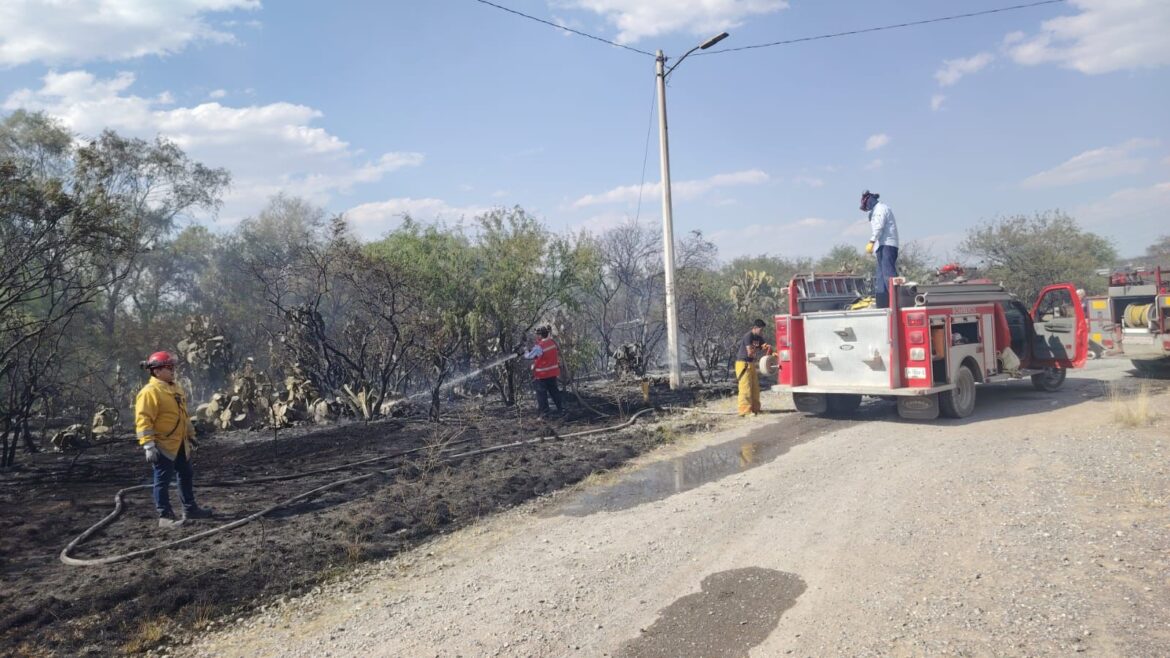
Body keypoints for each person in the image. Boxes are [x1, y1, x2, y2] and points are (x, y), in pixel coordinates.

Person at [135, 351, 211, 528]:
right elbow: (143, 420)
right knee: (162, 480)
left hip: (180, 443)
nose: (173, 370)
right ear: (157, 371)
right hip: (162, 445)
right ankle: (165, 516)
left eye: (172, 366)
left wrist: (191, 436)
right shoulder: (149, 392)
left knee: (185, 474)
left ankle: (190, 509)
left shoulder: (175, 388)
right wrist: (148, 445)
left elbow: (184, 416)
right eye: (169, 367)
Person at [861, 190, 899, 308]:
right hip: (881, 246)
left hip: (887, 245)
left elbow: (878, 227)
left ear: (869, 200)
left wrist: (871, 241)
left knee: (888, 275)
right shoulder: (877, 210)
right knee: (880, 277)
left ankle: (896, 302)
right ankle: (883, 304)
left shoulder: (880, 209)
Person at [522, 326, 565, 417]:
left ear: (541, 335)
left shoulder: (540, 346)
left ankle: (545, 413)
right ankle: (561, 409)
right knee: (554, 392)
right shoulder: (552, 342)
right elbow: (545, 356)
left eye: (537, 334)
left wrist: (525, 350)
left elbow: (529, 356)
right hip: (552, 373)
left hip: (542, 375)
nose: (536, 336)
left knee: (541, 395)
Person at [734, 319, 772, 416]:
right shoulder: (748, 336)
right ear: (755, 328)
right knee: (745, 387)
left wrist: (771, 351)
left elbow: (766, 347)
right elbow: (750, 353)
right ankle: (745, 411)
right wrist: (759, 349)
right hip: (743, 364)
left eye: (763, 330)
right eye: (761, 330)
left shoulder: (759, 338)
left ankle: (755, 409)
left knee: (755, 387)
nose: (762, 332)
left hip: (751, 364)